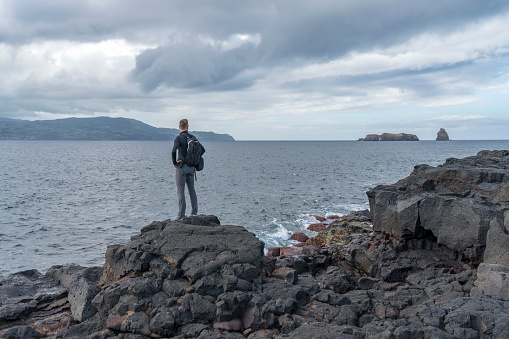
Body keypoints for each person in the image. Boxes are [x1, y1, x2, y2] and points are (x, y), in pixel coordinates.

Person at [171, 119, 198, 221]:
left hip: (182, 167)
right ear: (188, 126)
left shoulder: (178, 138)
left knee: (180, 191)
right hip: (192, 167)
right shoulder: (193, 137)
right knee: (191, 189)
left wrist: (174, 162)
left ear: (179, 127)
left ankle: (181, 215)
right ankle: (194, 212)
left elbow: (173, 151)